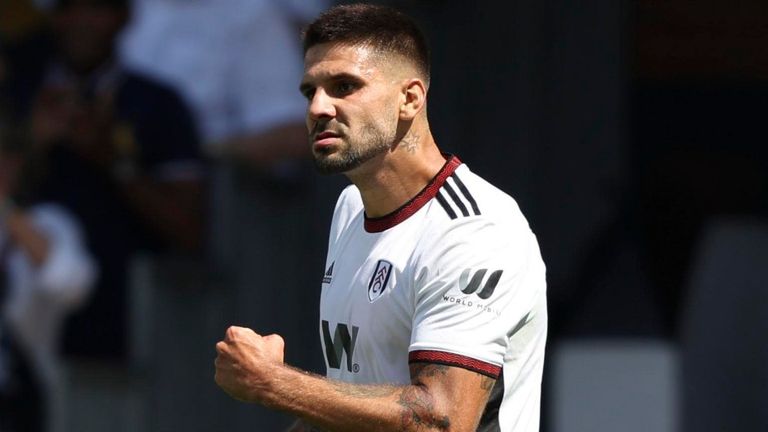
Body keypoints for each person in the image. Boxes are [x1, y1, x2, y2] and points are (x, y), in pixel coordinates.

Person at [214, 4, 547, 432]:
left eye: (344, 86)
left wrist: (272, 382)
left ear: (409, 98)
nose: (318, 108)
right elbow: (350, 400)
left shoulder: (476, 230)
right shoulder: (352, 207)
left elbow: (440, 420)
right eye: (309, 91)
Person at [19, 0, 205, 361]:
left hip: (124, 325)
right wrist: (30, 144)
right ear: (54, 17)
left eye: (97, 9)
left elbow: (189, 230)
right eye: (69, 9)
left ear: (124, 17)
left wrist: (114, 161)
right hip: (21, 318)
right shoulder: (18, 93)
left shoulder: (157, 104)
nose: (82, 22)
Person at [0, 132, 97, 432]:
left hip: (18, 401)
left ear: (14, 163)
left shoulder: (48, 221)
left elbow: (72, 285)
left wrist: (7, 213)